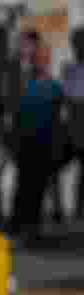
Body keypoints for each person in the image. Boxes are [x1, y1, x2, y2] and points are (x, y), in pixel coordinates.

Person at [9, 40, 64, 242]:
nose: (41, 62)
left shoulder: (55, 88)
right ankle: (22, 225)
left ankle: (32, 228)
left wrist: (57, 145)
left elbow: (59, 120)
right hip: (26, 144)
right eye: (38, 59)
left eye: (44, 59)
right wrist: (13, 142)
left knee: (38, 188)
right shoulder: (23, 85)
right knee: (25, 186)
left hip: (45, 144)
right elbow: (15, 116)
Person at [60, 27, 84, 222]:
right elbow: (70, 99)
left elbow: (71, 98)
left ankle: (77, 211)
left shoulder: (70, 70)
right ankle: (65, 209)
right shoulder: (70, 69)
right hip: (72, 130)